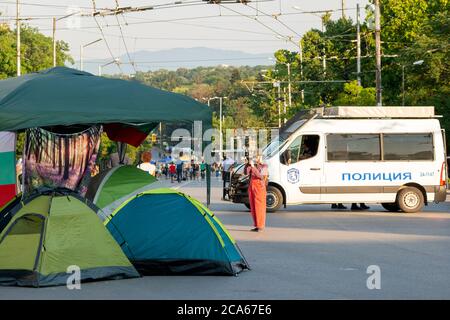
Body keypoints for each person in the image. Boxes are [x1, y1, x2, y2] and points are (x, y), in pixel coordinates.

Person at [246, 154, 268, 232]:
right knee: (253, 207)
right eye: (256, 157)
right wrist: (248, 165)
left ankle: (260, 225)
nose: (257, 159)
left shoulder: (264, 166)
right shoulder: (254, 166)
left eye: (258, 157)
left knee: (259, 207)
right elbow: (246, 173)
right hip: (252, 187)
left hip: (260, 188)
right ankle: (256, 225)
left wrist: (253, 167)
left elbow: (261, 176)